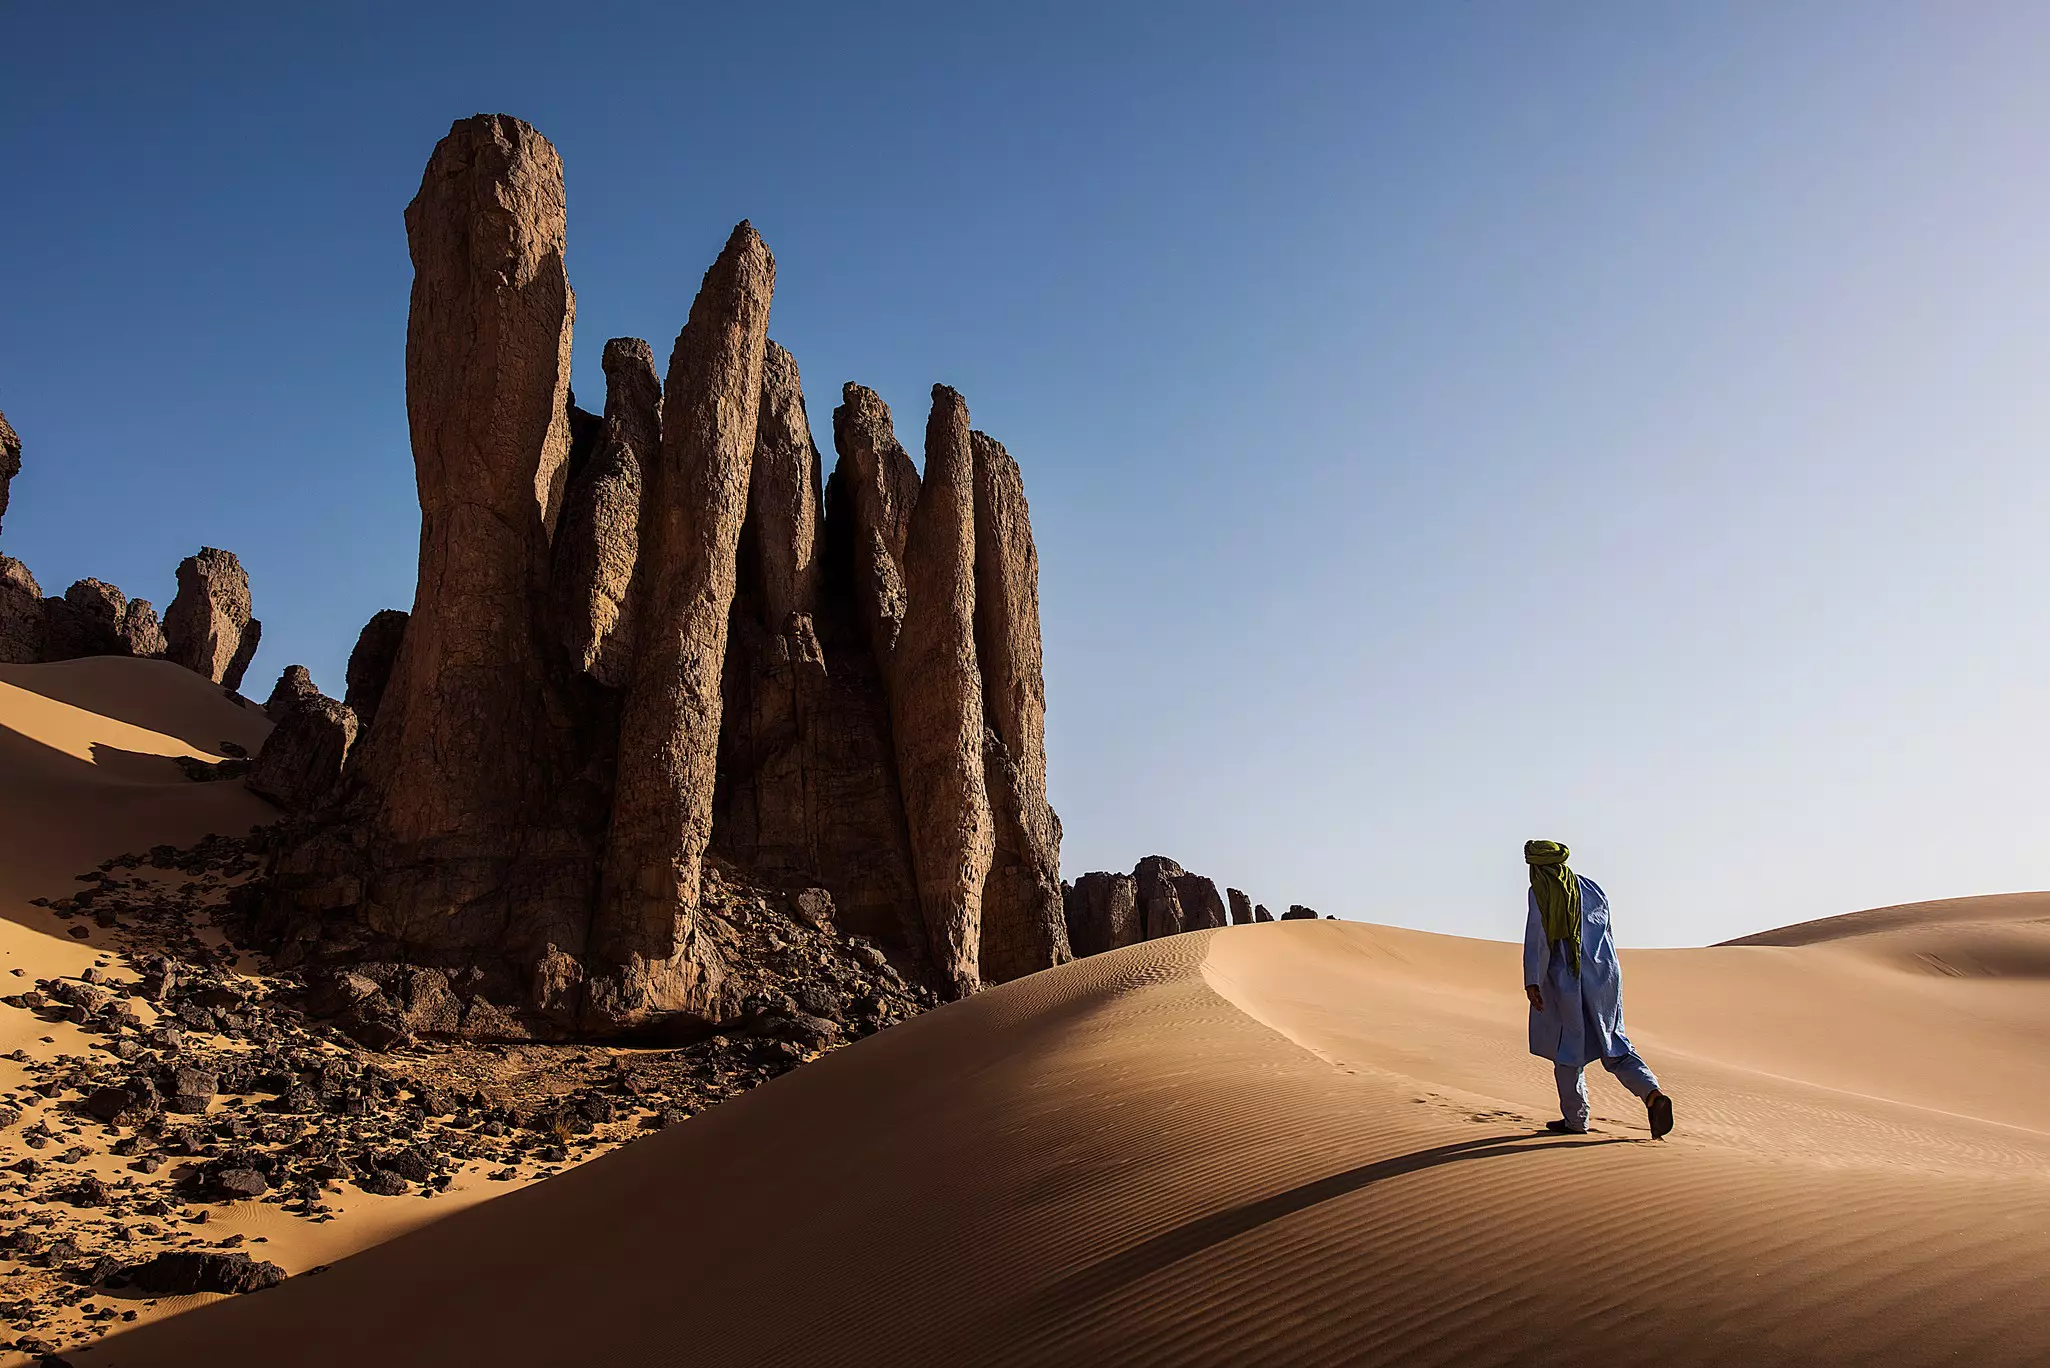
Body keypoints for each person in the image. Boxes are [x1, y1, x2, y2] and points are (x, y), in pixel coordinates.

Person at [1522, 840, 1674, 1139]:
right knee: (1614, 1043)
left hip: (1565, 976)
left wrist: (1533, 981)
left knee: (1567, 1049)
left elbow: (1538, 938)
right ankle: (1652, 1093)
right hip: (1604, 974)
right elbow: (1607, 933)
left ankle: (1575, 1121)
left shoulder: (1540, 891)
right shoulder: (1591, 888)